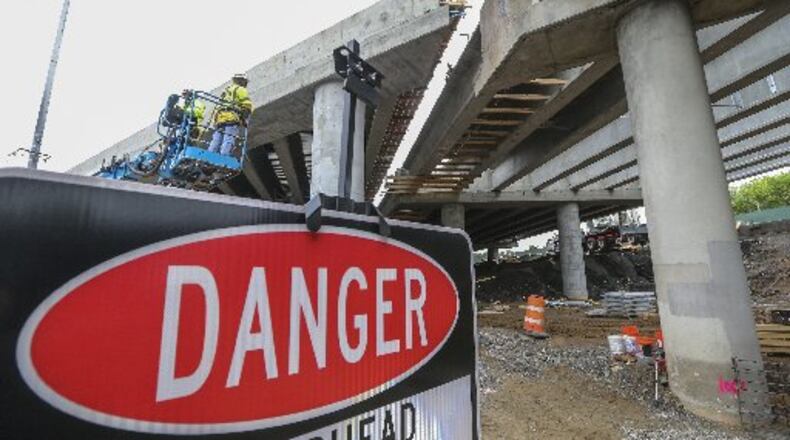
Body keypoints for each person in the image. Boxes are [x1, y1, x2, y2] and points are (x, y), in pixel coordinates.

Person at [209, 74, 253, 156]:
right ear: (242, 81)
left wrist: (215, 121)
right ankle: (223, 158)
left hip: (220, 119)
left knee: (216, 140)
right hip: (231, 118)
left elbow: (217, 107)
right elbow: (246, 105)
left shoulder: (226, 91)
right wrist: (244, 117)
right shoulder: (241, 89)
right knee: (228, 138)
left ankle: (210, 157)